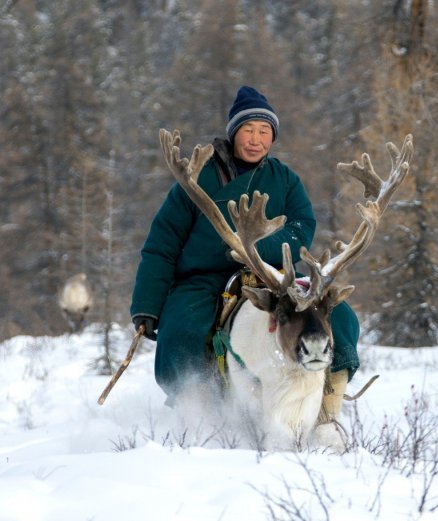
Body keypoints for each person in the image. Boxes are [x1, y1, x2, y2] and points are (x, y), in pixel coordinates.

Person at [130, 85, 359, 424]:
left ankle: (328, 404)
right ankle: (198, 411)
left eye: (264, 131)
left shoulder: (285, 179)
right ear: (234, 133)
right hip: (206, 279)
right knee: (185, 328)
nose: (256, 139)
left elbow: (302, 226)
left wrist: (255, 250)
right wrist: (147, 305)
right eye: (248, 130)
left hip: (275, 276)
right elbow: (162, 245)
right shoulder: (196, 180)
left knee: (337, 316)